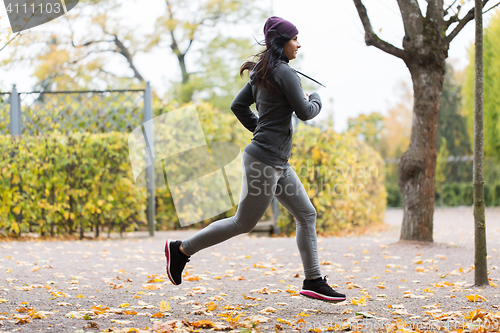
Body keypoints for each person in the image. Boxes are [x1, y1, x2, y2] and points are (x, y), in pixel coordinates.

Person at [165, 16, 346, 303]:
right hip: (264, 161)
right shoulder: (284, 73)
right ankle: (181, 249)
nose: (298, 44)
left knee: (306, 214)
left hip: (277, 162)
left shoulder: (263, 72)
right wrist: (317, 98)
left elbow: (238, 106)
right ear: (281, 42)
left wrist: (259, 128)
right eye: (294, 39)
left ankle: (313, 280)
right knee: (242, 223)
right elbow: (306, 112)